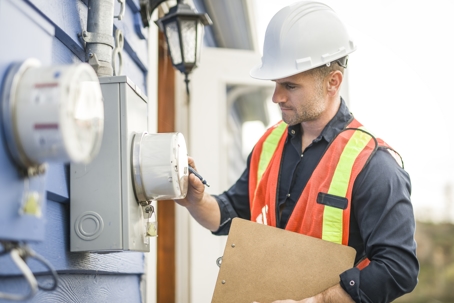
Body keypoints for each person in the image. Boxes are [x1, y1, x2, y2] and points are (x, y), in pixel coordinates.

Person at [175, 1, 419, 302]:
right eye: (276, 83)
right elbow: (231, 216)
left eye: (290, 86)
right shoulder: (268, 144)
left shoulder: (374, 164)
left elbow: (399, 268)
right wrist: (196, 202)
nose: (276, 97)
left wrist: (319, 300)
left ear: (332, 82)